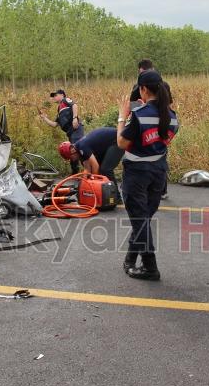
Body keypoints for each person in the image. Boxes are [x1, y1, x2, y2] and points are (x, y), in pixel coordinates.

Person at [117, 70, 178, 280]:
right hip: (158, 172)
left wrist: (122, 117)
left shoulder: (140, 115)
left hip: (137, 174)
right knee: (143, 219)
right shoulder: (172, 117)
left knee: (140, 220)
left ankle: (151, 267)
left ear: (143, 89)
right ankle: (130, 259)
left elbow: (121, 143)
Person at [130, 59, 173, 199]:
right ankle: (156, 190)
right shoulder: (161, 85)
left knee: (152, 157)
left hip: (151, 125)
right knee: (158, 157)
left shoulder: (143, 86)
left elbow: (133, 107)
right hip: (155, 125)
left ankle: (157, 190)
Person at [58, 127, 124, 202]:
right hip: (107, 145)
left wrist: (93, 186)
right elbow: (87, 169)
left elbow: (95, 166)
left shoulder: (82, 146)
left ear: (72, 150)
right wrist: (84, 184)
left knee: (105, 170)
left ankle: (116, 197)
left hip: (117, 140)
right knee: (100, 172)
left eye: (70, 157)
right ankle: (106, 195)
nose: (72, 160)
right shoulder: (79, 152)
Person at [40, 89, 84, 173]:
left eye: (56, 95)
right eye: (53, 96)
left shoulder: (65, 100)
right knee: (73, 152)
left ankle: (87, 172)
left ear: (62, 95)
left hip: (76, 129)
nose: (54, 98)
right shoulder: (59, 110)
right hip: (70, 133)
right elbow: (54, 124)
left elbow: (74, 105)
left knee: (76, 150)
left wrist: (75, 118)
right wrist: (44, 118)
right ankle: (75, 174)